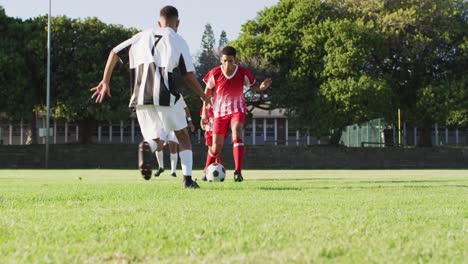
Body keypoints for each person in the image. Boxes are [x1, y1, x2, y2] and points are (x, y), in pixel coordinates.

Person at [90, 5, 210, 188]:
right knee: (183, 135)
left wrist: (105, 81)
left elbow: (114, 52)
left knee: (156, 138)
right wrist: (204, 96)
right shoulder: (177, 39)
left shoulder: (141, 36)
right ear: (177, 23)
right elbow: (188, 75)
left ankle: (147, 148)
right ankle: (187, 180)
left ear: (158, 23)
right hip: (165, 96)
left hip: (140, 99)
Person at [201, 46, 272, 182]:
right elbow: (206, 93)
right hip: (219, 113)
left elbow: (253, 86)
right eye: (225, 61)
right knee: (215, 148)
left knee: (237, 130)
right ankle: (206, 169)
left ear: (235, 60)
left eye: (230, 61)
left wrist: (261, 88)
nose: (227, 64)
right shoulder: (215, 73)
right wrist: (204, 112)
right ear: (221, 60)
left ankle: (238, 172)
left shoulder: (243, 72)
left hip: (237, 109)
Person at [154, 96, 195, 178]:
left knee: (173, 147)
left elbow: (185, 108)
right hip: (162, 125)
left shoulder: (177, 94)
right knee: (159, 145)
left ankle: (173, 171)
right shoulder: (157, 92)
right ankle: (161, 167)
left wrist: (189, 121)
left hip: (175, 124)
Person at [200, 104, 225, 181]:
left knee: (216, 150)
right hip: (208, 131)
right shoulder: (205, 106)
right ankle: (208, 170)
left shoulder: (219, 105)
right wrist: (202, 124)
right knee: (211, 149)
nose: (212, 98)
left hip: (217, 131)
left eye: (213, 96)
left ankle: (212, 168)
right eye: (210, 96)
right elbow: (202, 118)